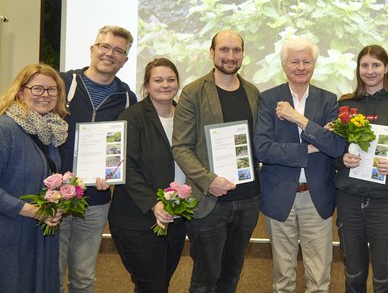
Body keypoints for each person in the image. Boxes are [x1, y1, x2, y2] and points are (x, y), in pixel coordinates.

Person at [254, 37, 346, 293]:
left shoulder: (328, 100)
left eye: (307, 61)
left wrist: (298, 119)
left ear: (314, 65)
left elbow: (337, 146)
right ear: (284, 65)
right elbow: (263, 149)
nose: (301, 66)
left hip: (316, 197)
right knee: (283, 277)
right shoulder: (268, 98)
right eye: (295, 61)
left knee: (319, 278)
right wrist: (311, 147)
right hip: (279, 195)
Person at [172, 30, 261, 293]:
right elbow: (181, 147)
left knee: (232, 272)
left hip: (247, 200)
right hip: (209, 202)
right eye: (224, 50)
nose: (230, 56)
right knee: (205, 278)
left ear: (243, 54)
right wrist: (209, 181)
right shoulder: (193, 93)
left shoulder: (253, 93)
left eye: (236, 50)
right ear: (212, 53)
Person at [335, 45, 388, 293]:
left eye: (375, 65)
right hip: (349, 200)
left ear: (386, 69)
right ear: (358, 69)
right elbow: (332, 153)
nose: (370, 71)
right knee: (353, 275)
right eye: (365, 65)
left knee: (384, 278)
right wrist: (342, 160)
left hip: (386, 203)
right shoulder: (345, 104)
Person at [58, 25, 137, 293]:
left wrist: (114, 174)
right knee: (52, 274)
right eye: (105, 47)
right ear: (93, 49)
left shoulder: (128, 99)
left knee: (83, 277)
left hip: (96, 199)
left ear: (125, 60)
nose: (110, 54)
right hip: (53, 198)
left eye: (118, 51)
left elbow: (127, 149)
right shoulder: (62, 84)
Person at [108, 58, 186, 292]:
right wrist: (153, 203)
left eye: (171, 79)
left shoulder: (185, 115)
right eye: (158, 80)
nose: (165, 85)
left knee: (161, 282)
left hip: (176, 218)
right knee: (150, 285)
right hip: (137, 220)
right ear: (147, 85)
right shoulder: (131, 117)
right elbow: (127, 168)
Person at [0, 63, 68, 292]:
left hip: (40, 232)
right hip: (10, 232)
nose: (45, 95)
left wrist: (57, 204)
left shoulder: (49, 130)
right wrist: (28, 210)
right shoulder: (5, 128)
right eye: (37, 88)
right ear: (21, 92)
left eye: (52, 90)